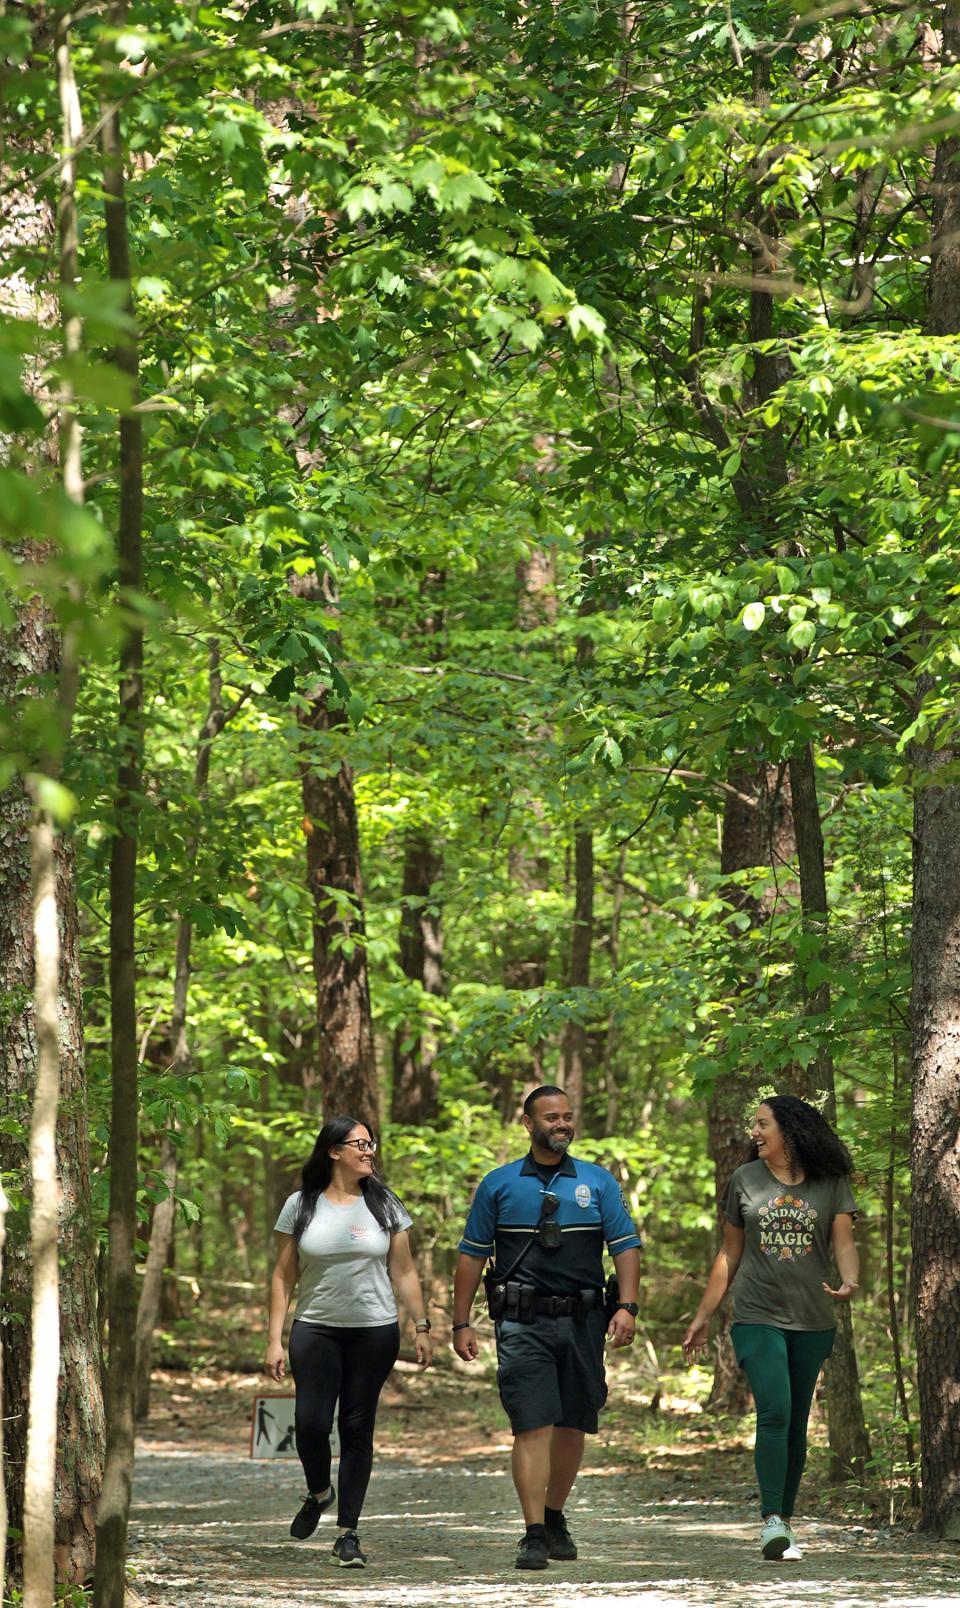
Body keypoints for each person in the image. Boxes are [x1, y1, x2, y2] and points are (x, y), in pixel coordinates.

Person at [452, 1085, 641, 1572]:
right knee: (532, 1423)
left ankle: (555, 1516)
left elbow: (625, 1246)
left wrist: (628, 1306)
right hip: (521, 1322)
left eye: (567, 1117)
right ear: (528, 1124)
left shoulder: (598, 1182)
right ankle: (533, 1532)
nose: (561, 1124)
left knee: (574, 1423)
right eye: (551, 1117)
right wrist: (460, 1321)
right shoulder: (499, 1184)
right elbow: (472, 1256)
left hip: (584, 1321)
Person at [682, 1094, 859, 1562]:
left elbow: (843, 1240)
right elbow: (729, 1254)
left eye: (762, 1124)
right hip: (757, 1315)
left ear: (791, 1131)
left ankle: (785, 1520)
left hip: (814, 1318)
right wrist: (703, 1315)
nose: (753, 1133)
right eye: (752, 1124)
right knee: (775, 1410)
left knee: (797, 1420)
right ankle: (772, 1521)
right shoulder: (745, 1179)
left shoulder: (830, 1182)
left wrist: (851, 1278)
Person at [265, 1115, 433, 1568]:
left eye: (371, 1143)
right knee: (312, 1423)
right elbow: (283, 1275)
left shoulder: (385, 1204)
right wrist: (274, 1339)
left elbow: (404, 1270)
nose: (368, 1150)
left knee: (358, 1429)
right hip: (315, 1328)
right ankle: (320, 1491)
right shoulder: (301, 1205)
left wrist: (421, 1325)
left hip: (374, 1331)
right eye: (358, 1143)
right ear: (333, 1151)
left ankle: (348, 1533)